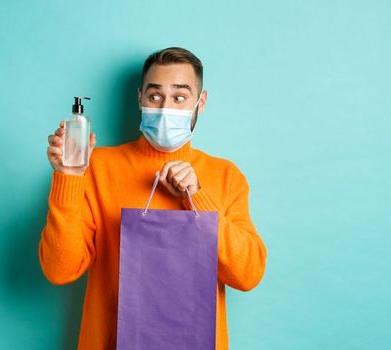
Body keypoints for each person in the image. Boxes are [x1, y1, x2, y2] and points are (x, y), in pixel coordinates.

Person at [40, 47, 267, 350]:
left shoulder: (225, 176)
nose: (165, 108)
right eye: (155, 96)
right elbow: (60, 270)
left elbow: (248, 274)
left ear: (201, 102)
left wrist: (197, 198)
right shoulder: (97, 167)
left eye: (179, 97)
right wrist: (68, 178)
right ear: (140, 98)